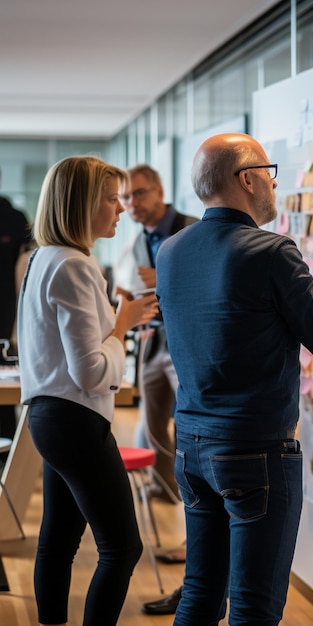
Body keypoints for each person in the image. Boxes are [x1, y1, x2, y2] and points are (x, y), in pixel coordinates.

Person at [156, 132, 313, 625]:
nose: (274, 186)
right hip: (255, 453)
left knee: (199, 595)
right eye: (270, 173)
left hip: (192, 448)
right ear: (248, 178)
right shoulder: (271, 251)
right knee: (254, 609)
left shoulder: (170, 252)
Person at [17, 156, 159, 626]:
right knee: (123, 548)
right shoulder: (75, 266)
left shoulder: (43, 257)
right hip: (75, 420)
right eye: (111, 198)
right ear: (82, 204)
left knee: (57, 541)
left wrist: (118, 325)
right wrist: (123, 324)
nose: (121, 208)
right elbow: (93, 372)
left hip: (51, 418)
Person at [114, 164, 197, 503]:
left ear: (160, 192)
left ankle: (191, 493)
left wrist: (162, 283)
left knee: (187, 422)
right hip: (152, 340)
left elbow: (210, 285)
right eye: (125, 196)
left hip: (187, 343)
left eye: (139, 193)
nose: (132, 202)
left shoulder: (193, 230)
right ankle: (164, 489)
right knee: (152, 420)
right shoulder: (138, 242)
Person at [0, 167, 31, 448]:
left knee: (4, 397)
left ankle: (6, 462)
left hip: (6, 322)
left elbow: (27, 274)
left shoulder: (13, 219)